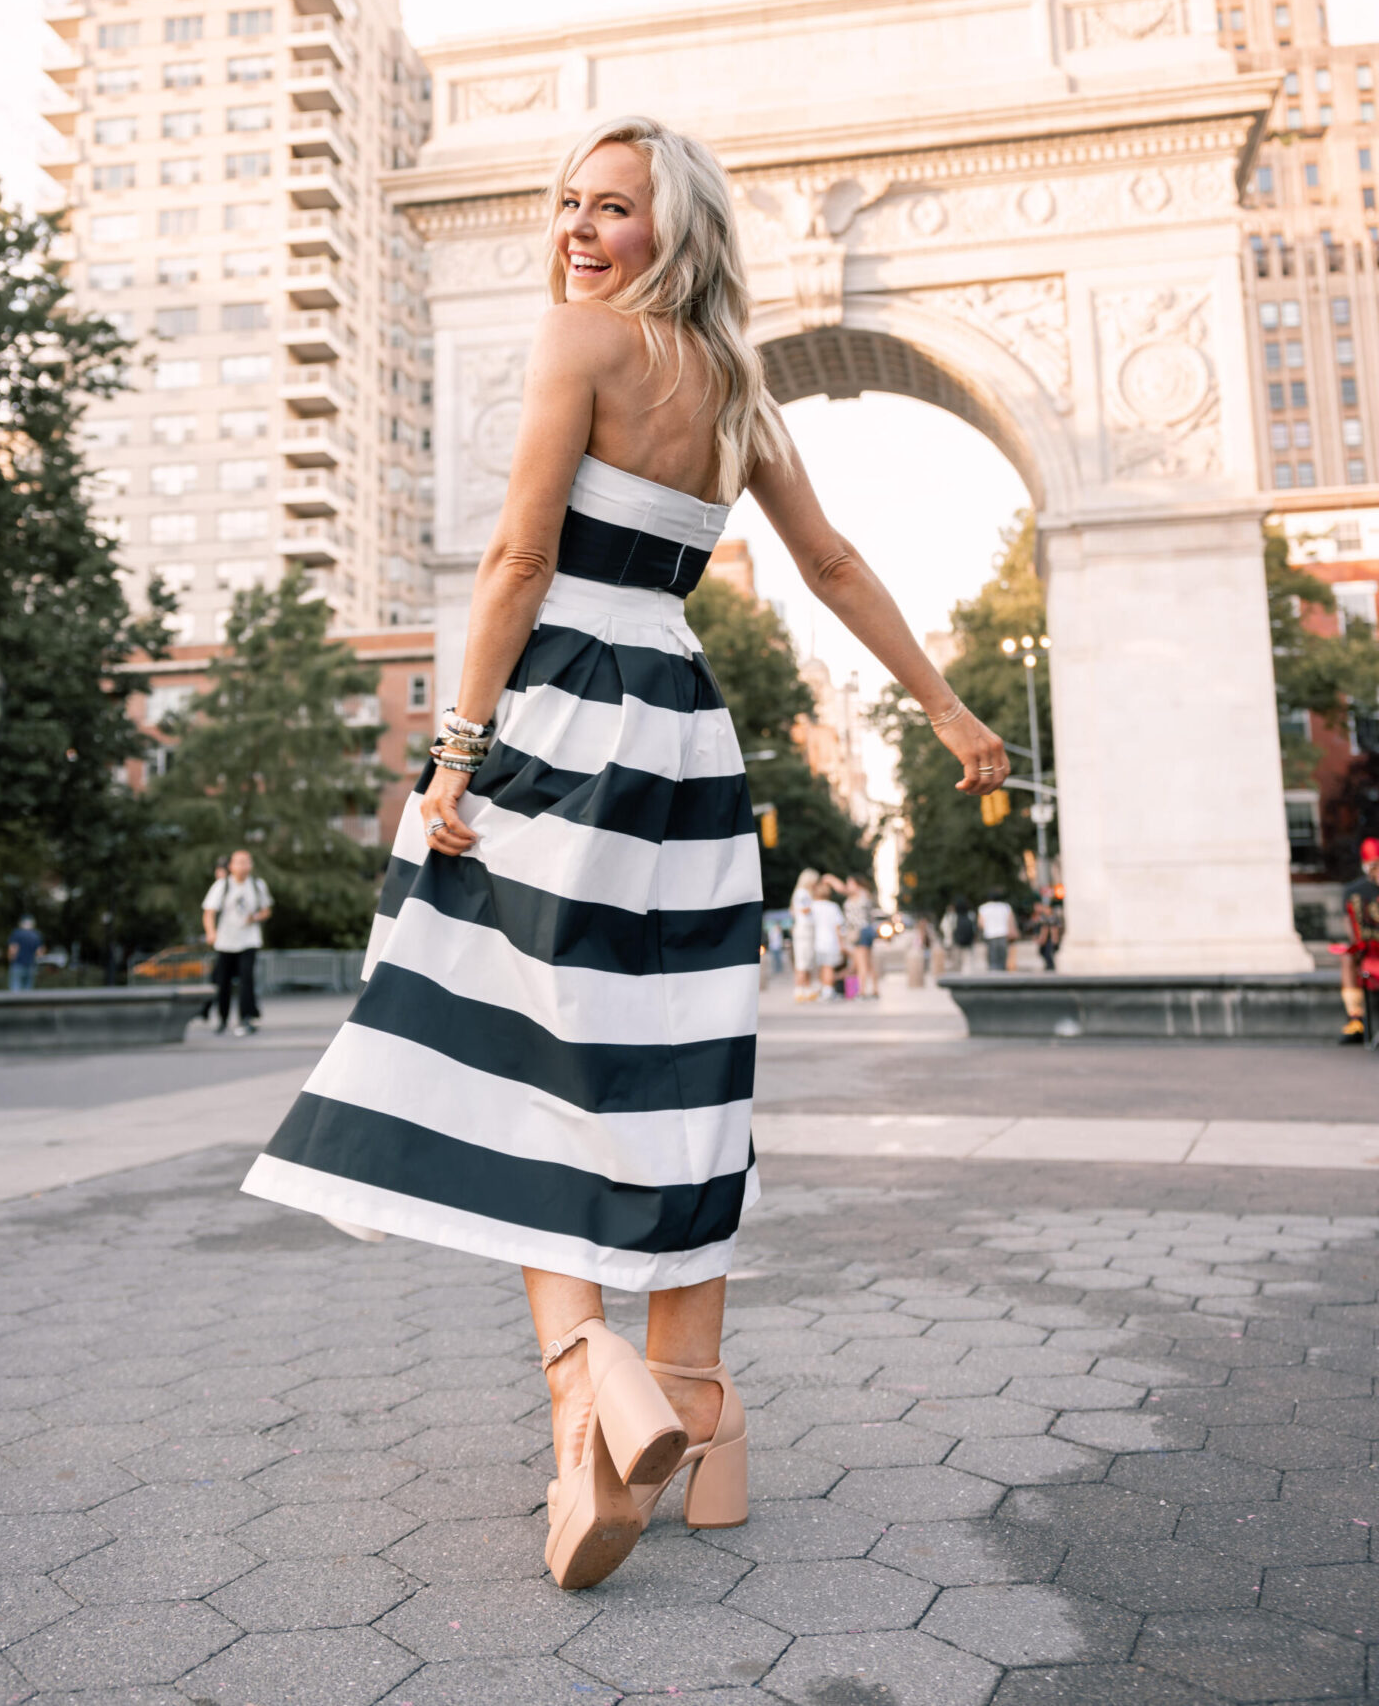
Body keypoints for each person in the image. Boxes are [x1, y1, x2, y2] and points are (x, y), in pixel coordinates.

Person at [242, 114, 1008, 1592]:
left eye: (612, 208)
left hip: (562, 719)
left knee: (536, 1053)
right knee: (678, 1055)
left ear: (677, 230)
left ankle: (590, 1403)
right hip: (686, 735)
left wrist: (457, 746)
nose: (579, 230)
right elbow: (833, 560)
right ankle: (701, 1412)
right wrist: (947, 706)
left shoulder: (580, 340)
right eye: (569, 204)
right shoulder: (741, 384)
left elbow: (521, 557)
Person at [202, 850, 272, 1036]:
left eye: (246, 862)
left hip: (249, 940)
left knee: (246, 980)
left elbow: (266, 910)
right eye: (238, 862)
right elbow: (209, 912)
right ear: (231, 866)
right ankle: (222, 1018)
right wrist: (211, 932)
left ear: (251, 865)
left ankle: (246, 1018)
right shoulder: (222, 885)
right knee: (222, 982)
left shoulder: (257, 885)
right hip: (226, 941)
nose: (242, 866)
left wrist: (255, 917)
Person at [1337, 838, 1379, 1044]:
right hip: (1371, 951)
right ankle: (1356, 1018)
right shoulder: (1353, 890)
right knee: (1348, 957)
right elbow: (1351, 928)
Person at [811, 876, 846, 1001]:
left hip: (816, 941)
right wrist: (841, 943)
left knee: (822, 967)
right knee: (829, 967)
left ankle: (824, 989)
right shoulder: (833, 907)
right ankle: (828, 991)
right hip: (831, 941)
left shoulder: (812, 906)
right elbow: (838, 926)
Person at [843, 877, 879, 998]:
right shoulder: (865, 896)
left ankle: (862, 991)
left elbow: (842, 889)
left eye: (850, 883)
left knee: (861, 962)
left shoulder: (861, 896)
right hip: (866, 930)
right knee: (869, 962)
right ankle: (875, 989)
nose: (848, 886)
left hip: (860, 931)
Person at [790, 867, 820, 1002]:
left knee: (807, 961)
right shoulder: (802, 893)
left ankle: (807, 988)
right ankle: (799, 989)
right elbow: (804, 910)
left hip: (806, 929)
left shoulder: (803, 893)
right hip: (804, 930)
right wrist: (816, 903)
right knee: (802, 961)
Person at [977, 889, 1018, 973]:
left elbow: (980, 923)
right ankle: (1002, 971)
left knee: (992, 955)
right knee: (1002, 955)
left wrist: (987, 927)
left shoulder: (983, 908)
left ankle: (993, 971)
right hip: (1003, 933)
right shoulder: (1006, 906)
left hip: (990, 934)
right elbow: (1011, 920)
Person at [7, 916, 44, 994]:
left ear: (21, 923)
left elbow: (13, 950)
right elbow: (39, 953)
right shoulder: (36, 935)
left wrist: (10, 961)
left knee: (15, 990)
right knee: (28, 991)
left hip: (18, 964)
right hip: (31, 965)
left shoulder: (17, 933)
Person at [1033, 891, 1061, 972]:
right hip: (1045, 939)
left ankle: (1050, 967)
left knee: (1048, 953)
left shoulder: (1052, 918)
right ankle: (1049, 966)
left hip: (1049, 939)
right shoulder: (1042, 917)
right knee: (1043, 952)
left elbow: (1051, 929)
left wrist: (1043, 939)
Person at [951, 898, 979, 975]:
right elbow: (974, 929)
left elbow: (952, 930)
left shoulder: (954, 917)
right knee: (968, 963)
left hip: (958, 942)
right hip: (969, 942)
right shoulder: (971, 915)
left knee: (957, 964)